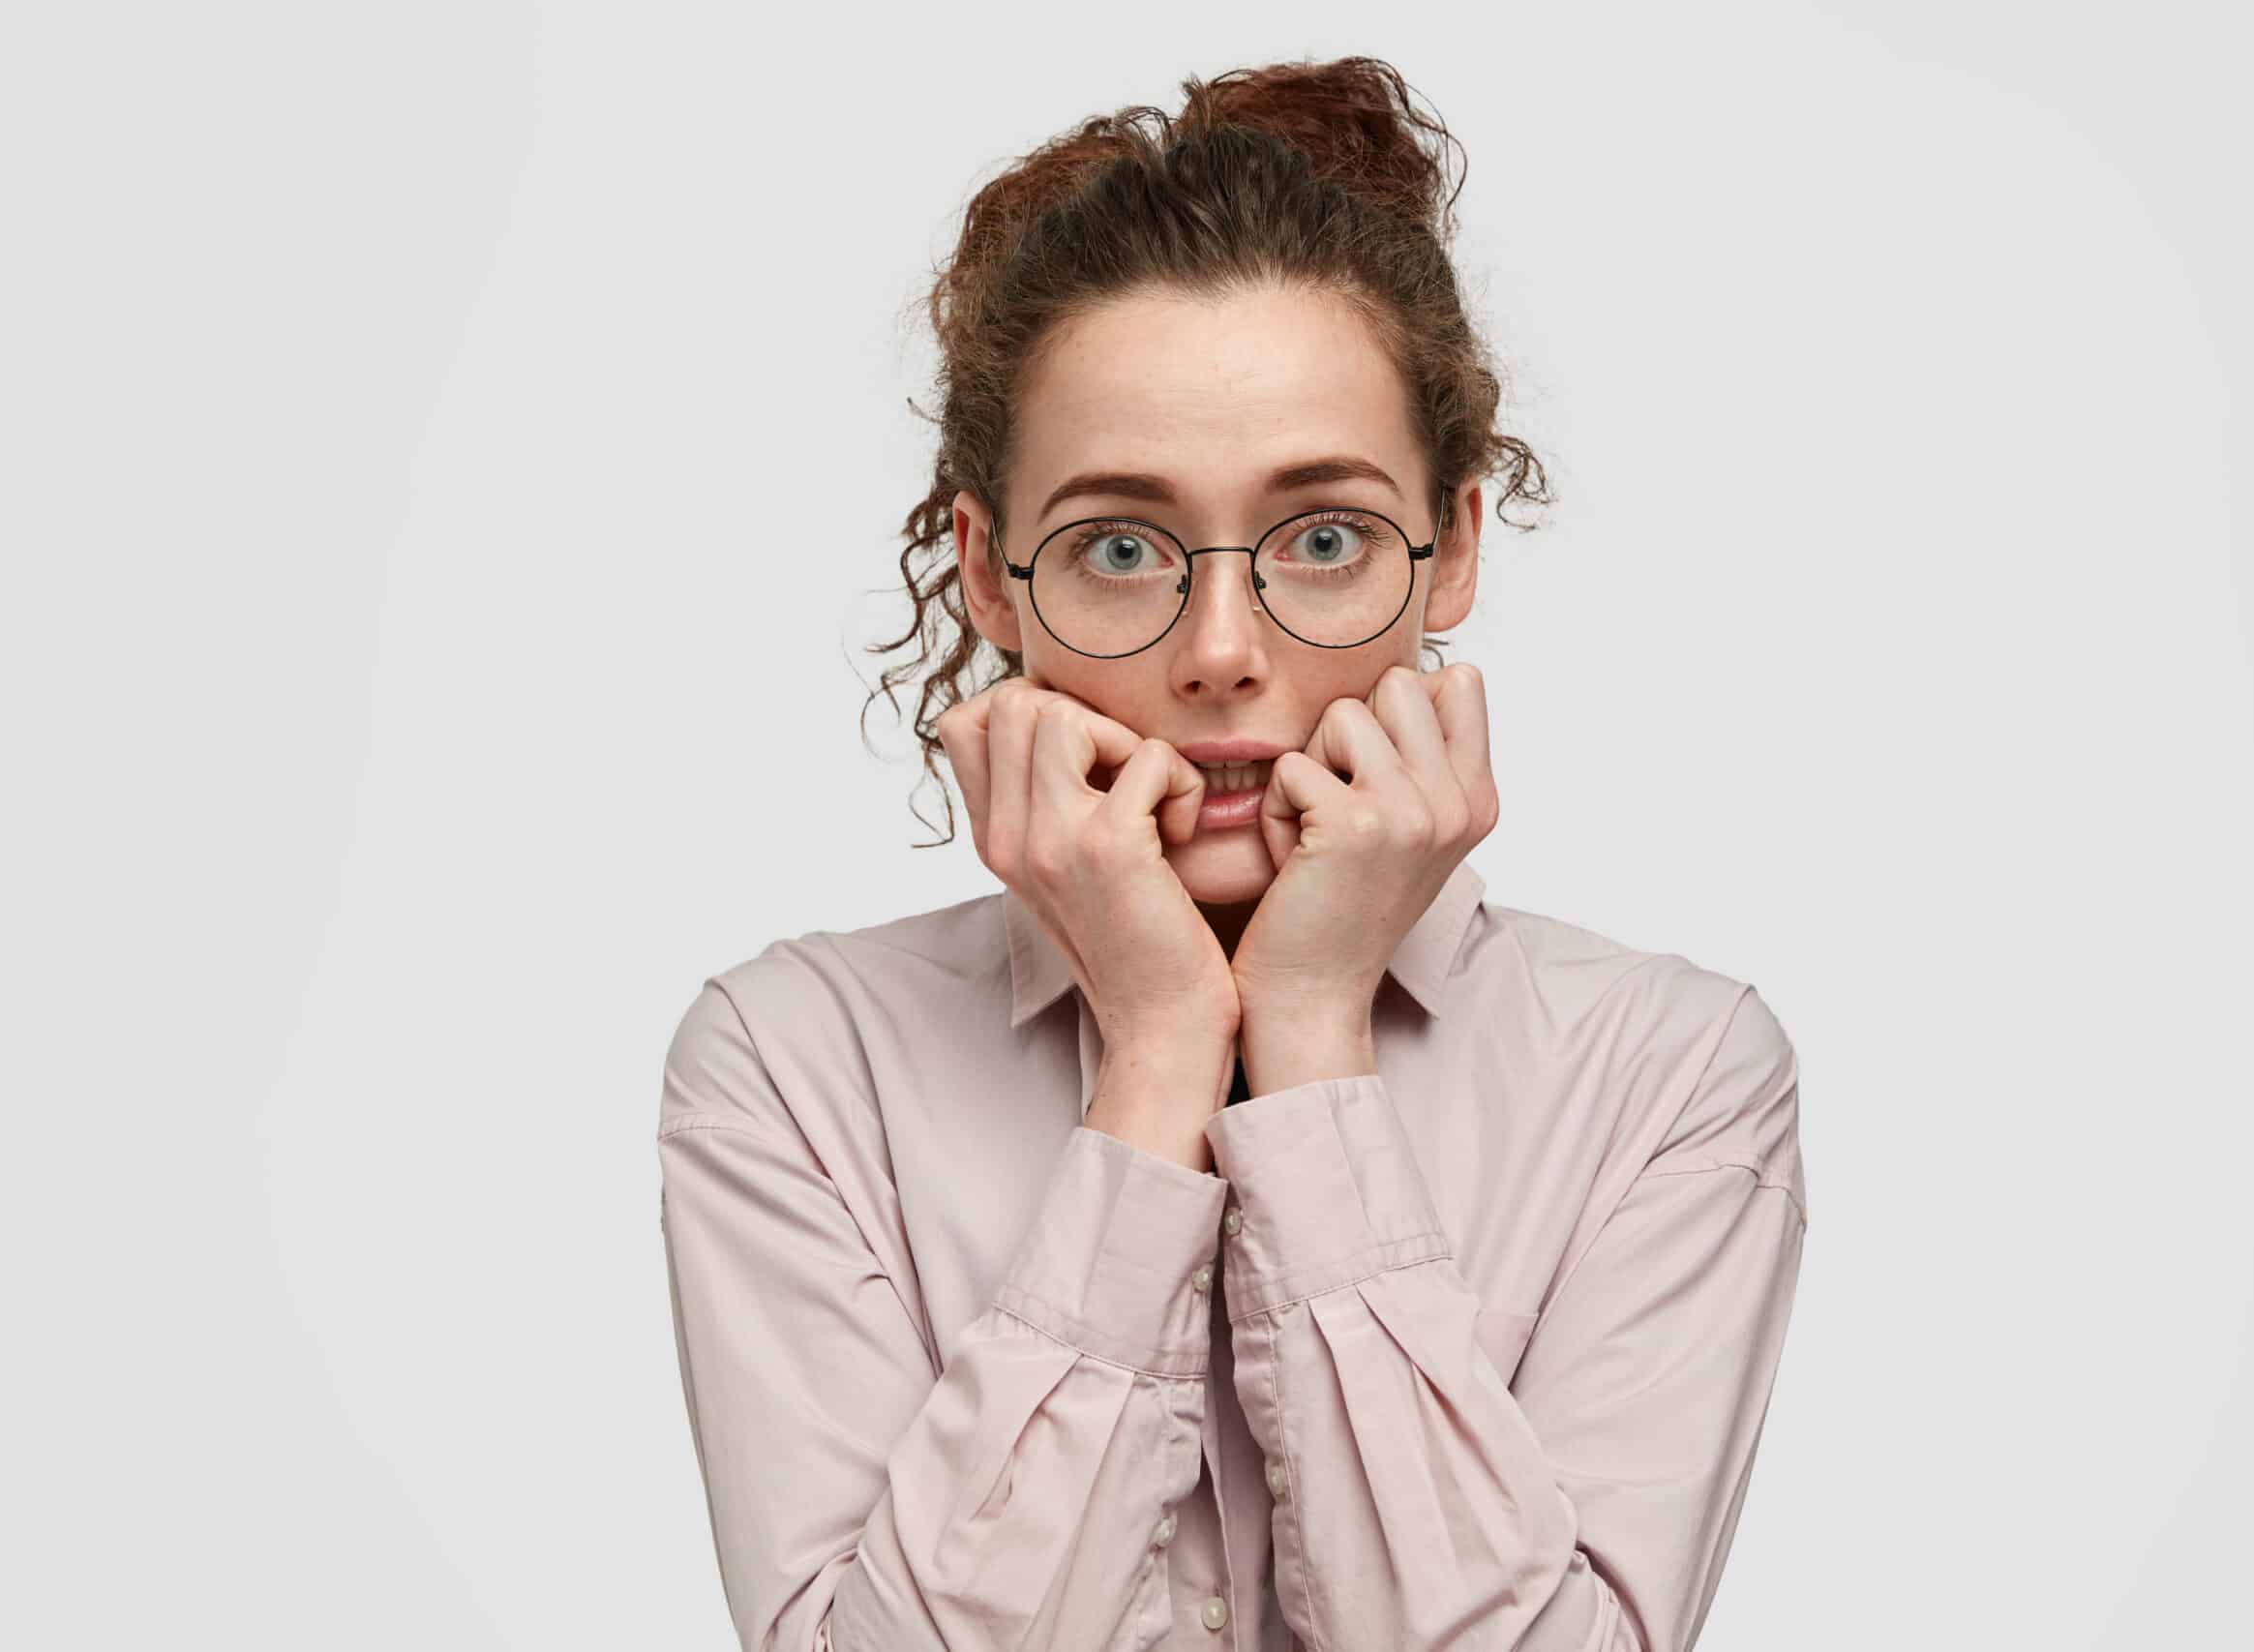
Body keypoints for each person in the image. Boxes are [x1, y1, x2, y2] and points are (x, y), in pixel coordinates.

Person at [655, 56, 1808, 1651]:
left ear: (1452, 547)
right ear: (991, 578)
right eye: (1119, 547)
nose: (1219, 651)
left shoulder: (1670, 1076)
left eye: (1321, 538)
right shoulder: (796, 1066)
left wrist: (1316, 1035)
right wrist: (1161, 1054)